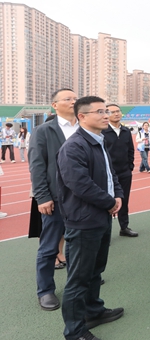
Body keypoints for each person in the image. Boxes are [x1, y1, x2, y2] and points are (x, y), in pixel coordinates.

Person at [56, 96, 124, 340]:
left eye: (106, 110)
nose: (106, 115)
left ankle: (93, 311)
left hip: (101, 217)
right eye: (100, 111)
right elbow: (80, 184)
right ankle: (73, 334)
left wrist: (118, 195)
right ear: (82, 117)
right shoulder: (74, 146)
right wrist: (110, 202)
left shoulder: (99, 141)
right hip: (84, 220)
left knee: (96, 269)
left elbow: (110, 174)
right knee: (79, 278)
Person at [29, 89, 79, 311]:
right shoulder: (44, 131)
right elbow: (37, 166)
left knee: (80, 243)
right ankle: (46, 290)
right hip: (56, 198)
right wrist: (42, 196)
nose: (73, 101)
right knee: (49, 247)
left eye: (76, 98)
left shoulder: (86, 128)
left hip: (84, 198)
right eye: (68, 99)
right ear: (54, 105)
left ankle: (79, 281)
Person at [102, 104, 138, 238]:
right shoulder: (102, 131)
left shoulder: (126, 131)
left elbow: (131, 150)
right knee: (106, 201)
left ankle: (124, 227)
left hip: (124, 172)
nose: (116, 114)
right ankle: (105, 232)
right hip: (107, 173)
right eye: (112, 112)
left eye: (118, 111)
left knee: (124, 200)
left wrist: (130, 167)